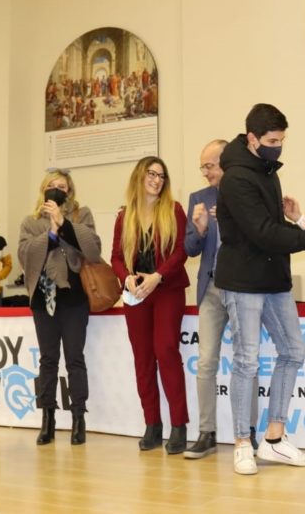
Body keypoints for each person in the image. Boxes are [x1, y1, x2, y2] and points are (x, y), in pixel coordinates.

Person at [215, 103, 305, 476]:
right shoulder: (236, 179)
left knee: (293, 351)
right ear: (252, 139)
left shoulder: (266, 171)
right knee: (246, 360)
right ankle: (242, 443)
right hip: (243, 283)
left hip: (274, 279)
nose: (277, 147)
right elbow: (263, 234)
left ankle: (275, 438)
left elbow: (274, 227)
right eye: (272, 141)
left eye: (281, 140)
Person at [183, 139, 259, 459]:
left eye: (209, 166)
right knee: (205, 362)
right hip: (211, 289)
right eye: (202, 167)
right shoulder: (198, 198)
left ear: (226, 161)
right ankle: (207, 432)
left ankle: (249, 432)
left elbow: (259, 236)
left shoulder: (247, 190)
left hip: (241, 286)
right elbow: (189, 248)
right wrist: (200, 229)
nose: (205, 172)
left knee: (246, 361)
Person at [110, 156, 190, 454]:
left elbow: (181, 250)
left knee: (166, 350)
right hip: (136, 294)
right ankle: (152, 425)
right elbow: (116, 257)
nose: (157, 180)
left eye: (161, 176)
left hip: (166, 289)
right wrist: (126, 278)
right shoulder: (125, 216)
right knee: (142, 358)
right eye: (151, 174)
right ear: (139, 177)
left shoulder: (173, 210)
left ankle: (179, 425)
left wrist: (158, 276)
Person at [18, 169, 102, 446]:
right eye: (52, 185)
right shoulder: (31, 222)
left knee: (75, 358)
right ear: (43, 190)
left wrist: (63, 222)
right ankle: (48, 420)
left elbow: (93, 249)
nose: (57, 190)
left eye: (62, 187)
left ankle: (79, 419)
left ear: (70, 191)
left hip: (74, 298)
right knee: (48, 360)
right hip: (44, 299)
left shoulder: (81, 214)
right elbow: (25, 255)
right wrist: (52, 233)